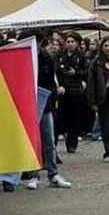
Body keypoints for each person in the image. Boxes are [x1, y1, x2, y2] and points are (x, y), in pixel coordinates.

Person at [30, 34, 70, 189]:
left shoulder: (47, 59)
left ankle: (53, 174)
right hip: (30, 103)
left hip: (44, 103)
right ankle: (34, 175)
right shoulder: (27, 57)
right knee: (34, 141)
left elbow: (50, 82)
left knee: (49, 141)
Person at [56, 34, 89, 153]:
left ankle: (72, 144)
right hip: (62, 90)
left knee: (74, 118)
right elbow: (57, 71)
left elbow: (86, 71)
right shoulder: (60, 56)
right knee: (61, 116)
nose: (70, 44)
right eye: (68, 41)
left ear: (77, 43)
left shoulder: (82, 56)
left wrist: (76, 73)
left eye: (72, 41)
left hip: (76, 89)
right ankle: (60, 136)